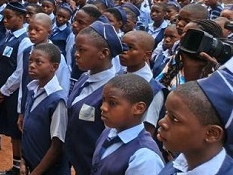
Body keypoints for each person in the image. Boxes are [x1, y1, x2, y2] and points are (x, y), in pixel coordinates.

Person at [65, 21, 126, 175]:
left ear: (104, 53)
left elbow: (110, 138)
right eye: (76, 49)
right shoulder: (85, 78)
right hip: (78, 164)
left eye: (82, 50)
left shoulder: (115, 90)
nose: (76, 54)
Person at [157, 74, 233, 174]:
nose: (162, 122)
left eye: (175, 119)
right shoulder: (177, 164)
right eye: (166, 113)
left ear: (211, 133)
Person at [91, 74, 164, 174]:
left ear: (139, 108)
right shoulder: (108, 132)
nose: (103, 107)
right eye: (103, 100)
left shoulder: (144, 157)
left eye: (112, 103)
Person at [0, 2, 32, 174]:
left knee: (18, 132)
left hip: (14, 93)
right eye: (4, 17)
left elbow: (20, 71)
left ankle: (22, 168)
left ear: (21, 18)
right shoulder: (8, 36)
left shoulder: (25, 41)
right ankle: (15, 167)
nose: (4, 20)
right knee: (12, 133)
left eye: (9, 17)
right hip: (3, 91)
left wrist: (5, 90)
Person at [19, 43, 68, 175]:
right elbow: (27, 132)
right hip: (32, 163)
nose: (32, 65)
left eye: (38, 62)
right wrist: (23, 160)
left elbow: (57, 146)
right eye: (30, 61)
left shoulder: (58, 101)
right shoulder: (32, 89)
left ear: (54, 67)